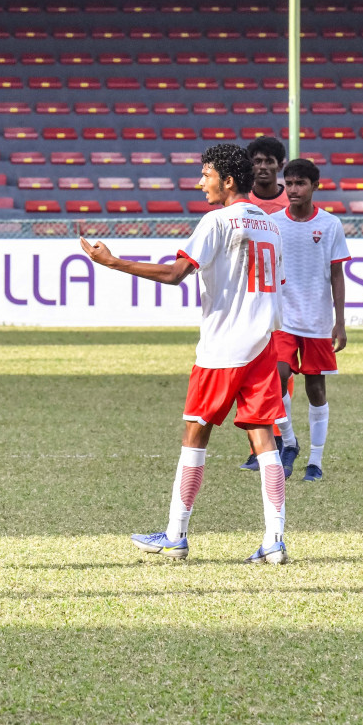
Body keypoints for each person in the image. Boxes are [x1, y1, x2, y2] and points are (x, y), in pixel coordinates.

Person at [82, 143, 289, 564]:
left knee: (195, 437)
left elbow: (177, 274)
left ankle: (175, 535)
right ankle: (274, 540)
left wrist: (115, 263)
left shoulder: (217, 220)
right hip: (262, 345)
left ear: (228, 180)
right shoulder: (270, 223)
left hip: (222, 348)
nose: (200, 182)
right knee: (265, 440)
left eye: (206, 174)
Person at [272, 159, 349, 482]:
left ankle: (315, 461)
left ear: (314, 186)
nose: (292, 189)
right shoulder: (273, 223)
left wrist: (340, 322)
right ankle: (289, 442)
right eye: (288, 183)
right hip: (282, 318)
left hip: (317, 321)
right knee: (277, 377)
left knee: (316, 389)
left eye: (300, 183)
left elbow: (337, 274)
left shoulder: (330, 225)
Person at [238, 134, 295, 469]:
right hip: (249, 301)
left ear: (279, 166)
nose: (262, 168)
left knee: (279, 372)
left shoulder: (293, 203)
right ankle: (261, 441)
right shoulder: (241, 205)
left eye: (268, 162)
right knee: (251, 372)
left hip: (285, 300)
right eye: (256, 161)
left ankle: (275, 438)